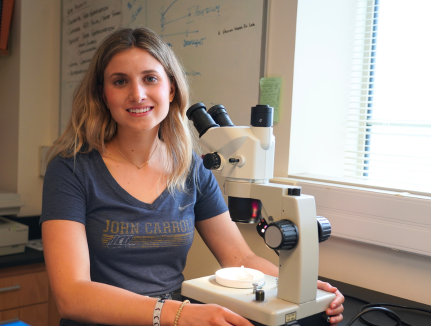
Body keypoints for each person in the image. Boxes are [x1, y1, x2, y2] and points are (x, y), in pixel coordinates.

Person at [41, 27, 344, 326]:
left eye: (150, 79)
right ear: (103, 95)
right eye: (120, 81)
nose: (137, 94)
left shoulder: (191, 169)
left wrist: (305, 287)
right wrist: (178, 314)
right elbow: (72, 295)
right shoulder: (71, 170)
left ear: (170, 89)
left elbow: (239, 259)